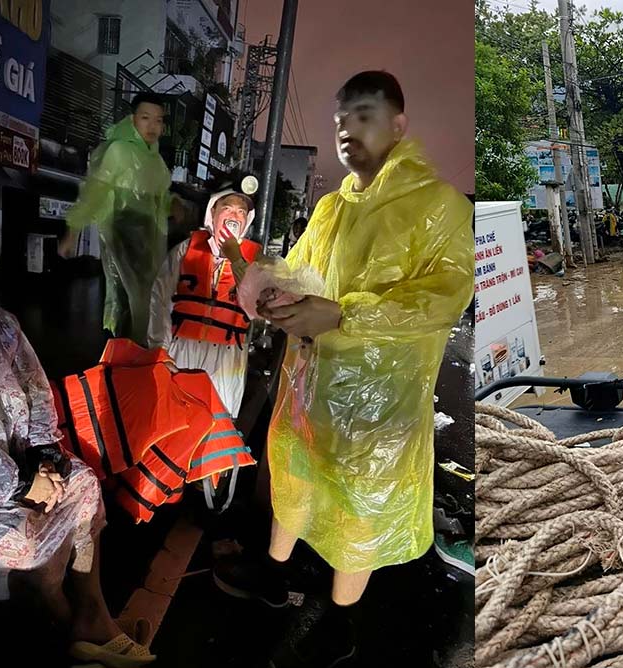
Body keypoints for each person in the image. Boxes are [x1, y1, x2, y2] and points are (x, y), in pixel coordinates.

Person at [211, 71, 473, 668]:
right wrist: (270, 286)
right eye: (339, 121)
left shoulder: (440, 207)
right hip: (307, 389)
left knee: (357, 507)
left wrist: (344, 315)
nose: (347, 132)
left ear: (398, 125)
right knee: (294, 480)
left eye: (362, 116)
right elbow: (299, 271)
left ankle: (341, 621)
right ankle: (274, 575)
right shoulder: (330, 209)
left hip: (377, 406)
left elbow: (443, 297)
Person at [0, 231, 155, 666]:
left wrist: (44, 457)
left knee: (81, 482)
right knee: (32, 541)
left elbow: (36, 389)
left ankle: (93, 617)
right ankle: (69, 625)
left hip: (22, 468)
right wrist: (22, 482)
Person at [60, 92, 177, 346]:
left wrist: (176, 206)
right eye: (146, 118)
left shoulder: (156, 161)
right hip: (124, 231)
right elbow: (94, 191)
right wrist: (73, 232)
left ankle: (135, 356)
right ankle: (128, 357)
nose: (152, 126)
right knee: (132, 299)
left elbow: (161, 200)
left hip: (152, 241)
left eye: (158, 120)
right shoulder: (119, 151)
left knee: (148, 299)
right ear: (133, 119)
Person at [147, 188, 261, 420]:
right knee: (172, 414)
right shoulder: (185, 249)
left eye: (241, 211)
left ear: (247, 220)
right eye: (227, 208)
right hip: (181, 348)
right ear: (213, 213)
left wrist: (237, 260)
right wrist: (160, 350)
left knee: (217, 421)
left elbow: (261, 309)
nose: (234, 215)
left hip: (228, 357)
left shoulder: (256, 261)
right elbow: (160, 300)